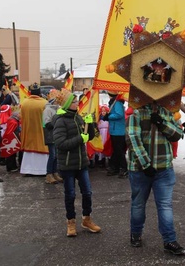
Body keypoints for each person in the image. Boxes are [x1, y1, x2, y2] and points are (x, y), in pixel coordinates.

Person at [126, 103, 185, 255]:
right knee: (138, 204)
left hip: (164, 168)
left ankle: (169, 240)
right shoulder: (137, 113)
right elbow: (133, 138)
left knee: (165, 205)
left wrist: (162, 123)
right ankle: (136, 234)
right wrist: (145, 164)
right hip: (140, 169)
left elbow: (178, 134)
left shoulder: (167, 112)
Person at [52, 89, 100, 237]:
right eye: (73, 102)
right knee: (70, 195)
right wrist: (80, 139)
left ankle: (87, 219)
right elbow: (60, 143)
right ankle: (70, 222)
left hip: (82, 163)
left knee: (87, 192)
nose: (76, 103)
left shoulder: (78, 118)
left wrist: (90, 124)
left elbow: (90, 136)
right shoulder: (60, 122)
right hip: (67, 165)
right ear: (67, 104)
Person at [19, 83, 49, 176]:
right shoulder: (44, 103)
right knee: (42, 150)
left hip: (29, 131)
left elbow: (21, 117)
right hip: (41, 132)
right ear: (39, 92)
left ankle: (28, 170)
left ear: (30, 92)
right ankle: (43, 170)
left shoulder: (24, 103)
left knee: (29, 152)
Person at [105, 92, 128, 178]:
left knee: (119, 151)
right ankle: (115, 167)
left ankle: (124, 168)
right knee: (116, 150)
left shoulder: (117, 103)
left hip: (118, 131)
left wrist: (109, 116)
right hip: (115, 130)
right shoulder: (114, 102)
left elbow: (119, 114)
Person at [43, 89, 62, 184]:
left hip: (57, 135)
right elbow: (47, 124)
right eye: (56, 99)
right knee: (52, 155)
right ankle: (49, 174)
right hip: (50, 135)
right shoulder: (48, 110)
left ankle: (55, 173)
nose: (58, 101)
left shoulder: (57, 109)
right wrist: (57, 120)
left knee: (56, 155)